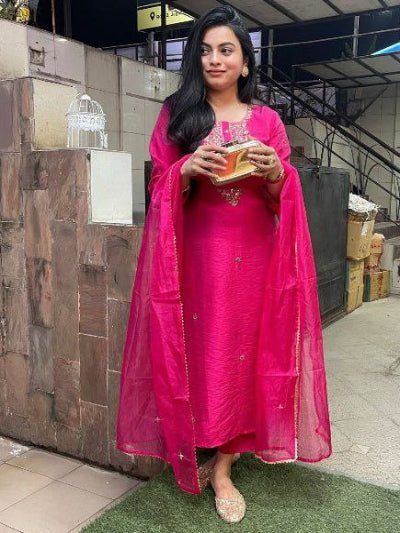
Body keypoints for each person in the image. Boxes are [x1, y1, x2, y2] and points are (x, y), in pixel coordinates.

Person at [117, 5, 332, 524]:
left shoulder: (268, 122)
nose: (214, 59)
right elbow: (159, 185)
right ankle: (197, 438)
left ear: (245, 62)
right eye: (206, 50)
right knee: (199, 348)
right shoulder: (178, 114)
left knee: (245, 353)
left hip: (253, 258)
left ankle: (225, 466)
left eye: (226, 50)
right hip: (194, 258)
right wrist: (186, 169)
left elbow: (283, 199)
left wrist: (277, 172)